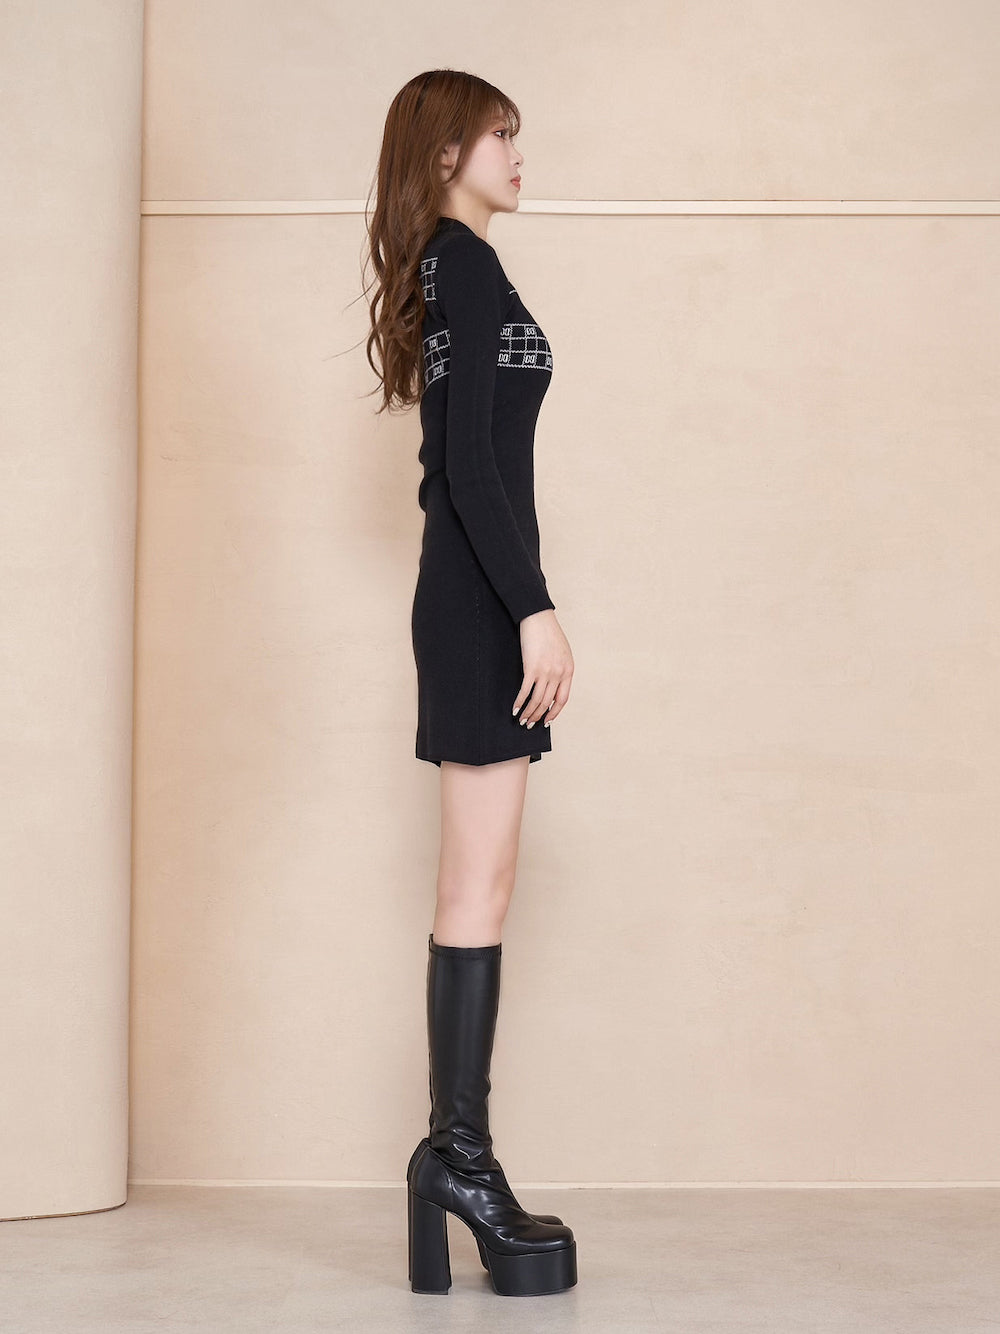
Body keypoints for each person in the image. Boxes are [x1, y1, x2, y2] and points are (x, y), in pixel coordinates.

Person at [362, 69, 578, 1296]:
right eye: (501, 134)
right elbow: (470, 472)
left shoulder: (451, 269)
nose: (516, 153)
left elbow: (461, 463)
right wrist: (533, 608)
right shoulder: (467, 265)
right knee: (478, 882)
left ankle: (455, 1157)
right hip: (479, 605)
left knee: (474, 881)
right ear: (446, 152)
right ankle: (460, 1158)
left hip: (467, 599)